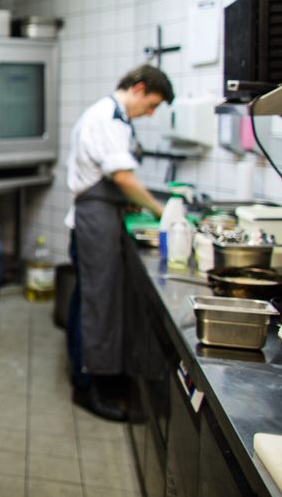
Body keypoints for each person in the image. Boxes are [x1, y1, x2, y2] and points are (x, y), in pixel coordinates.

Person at [65, 64, 174, 421]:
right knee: (97, 304)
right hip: (93, 221)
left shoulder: (115, 119)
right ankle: (88, 388)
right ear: (139, 88)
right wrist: (159, 210)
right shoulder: (107, 117)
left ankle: (92, 377)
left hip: (99, 218)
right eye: (152, 104)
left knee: (91, 300)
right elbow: (123, 178)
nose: (151, 112)